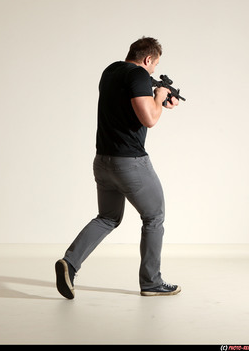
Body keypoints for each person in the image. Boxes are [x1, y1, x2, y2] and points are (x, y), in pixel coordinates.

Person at [55, 37, 181, 299]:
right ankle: (151, 282)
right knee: (154, 217)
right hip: (131, 163)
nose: (154, 72)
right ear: (148, 59)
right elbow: (149, 120)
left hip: (104, 161)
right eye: (154, 65)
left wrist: (159, 101)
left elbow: (130, 109)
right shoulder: (139, 75)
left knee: (108, 217)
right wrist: (158, 96)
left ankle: (70, 262)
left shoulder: (111, 70)